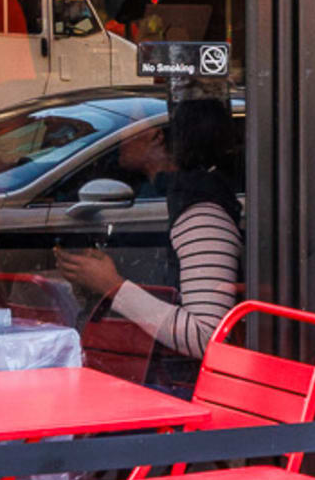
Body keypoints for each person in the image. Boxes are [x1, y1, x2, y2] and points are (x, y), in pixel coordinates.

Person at [56, 94, 241, 390]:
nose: (120, 135)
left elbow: (207, 336)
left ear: (156, 136)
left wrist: (112, 286)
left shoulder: (202, 213)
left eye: (130, 124)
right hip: (147, 373)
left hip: (178, 387)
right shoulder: (165, 196)